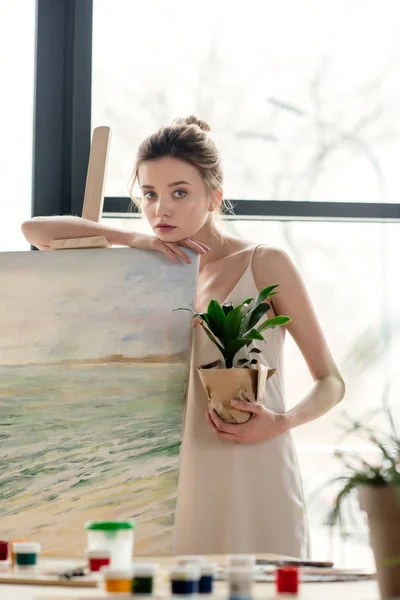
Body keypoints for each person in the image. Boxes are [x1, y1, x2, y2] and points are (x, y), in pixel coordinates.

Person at [22, 115, 345, 558]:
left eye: (179, 193)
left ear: (214, 197)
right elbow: (35, 232)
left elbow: (331, 380)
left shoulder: (264, 263)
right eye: (149, 194)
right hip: (167, 479)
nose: (161, 210)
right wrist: (133, 240)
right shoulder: (146, 270)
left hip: (252, 465)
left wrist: (283, 421)